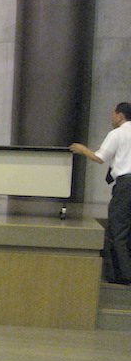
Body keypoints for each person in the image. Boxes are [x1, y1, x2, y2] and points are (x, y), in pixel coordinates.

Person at [70, 102, 131, 285]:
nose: (112, 117)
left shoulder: (117, 133)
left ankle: (124, 275)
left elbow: (99, 158)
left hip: (126, 185)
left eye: (113, 114)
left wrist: (83, 149)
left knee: (118, 229)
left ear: (120, 115)